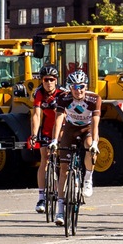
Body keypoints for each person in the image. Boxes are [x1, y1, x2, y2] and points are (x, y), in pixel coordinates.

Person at [51, 70, 103, 227]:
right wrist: (54, 140)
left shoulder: (94, 99)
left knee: (89, 147)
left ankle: (88, 178)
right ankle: (60, 210)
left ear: (85, 86)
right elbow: (59, 119)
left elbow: (95, 121)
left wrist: (94, 142)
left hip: (87, 129)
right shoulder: (63, 98)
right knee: (64, 169)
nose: (78, 90)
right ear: (70, 87)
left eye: (81, 86)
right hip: (70, 129)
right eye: (74, 87)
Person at [29, 64, 62, 213]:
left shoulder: (63, 93)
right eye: (45, 79)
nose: (48, 83)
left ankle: (64, 189)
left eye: (52, 79)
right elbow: (36, 115)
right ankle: (42, 197)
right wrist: (34, 135)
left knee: (62, 159)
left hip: (61, 130)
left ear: (56, 81)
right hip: (47, 130)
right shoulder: (39, 93)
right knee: (45, 158)